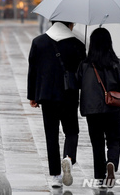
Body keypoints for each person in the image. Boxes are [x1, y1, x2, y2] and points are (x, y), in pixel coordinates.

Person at [27, 21, 86, 188]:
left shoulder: (39, 42)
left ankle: (55, 176)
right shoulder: (77, 44)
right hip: (69, 95)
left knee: (51, 135)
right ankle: (69, 158)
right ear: (70, 24)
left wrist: (33, 95)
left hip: (47, 96)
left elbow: (33, 70)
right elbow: (83, 74)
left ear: (52, 22)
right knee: (72, 131)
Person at [77, 27, 120, 188]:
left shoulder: (85, 65)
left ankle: (100, 177)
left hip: (92, 110)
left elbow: (78, 83)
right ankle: (111, 162)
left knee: (97, 144)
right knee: (114, 140)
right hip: (112, 108)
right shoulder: (115, 63)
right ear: (109, 43)